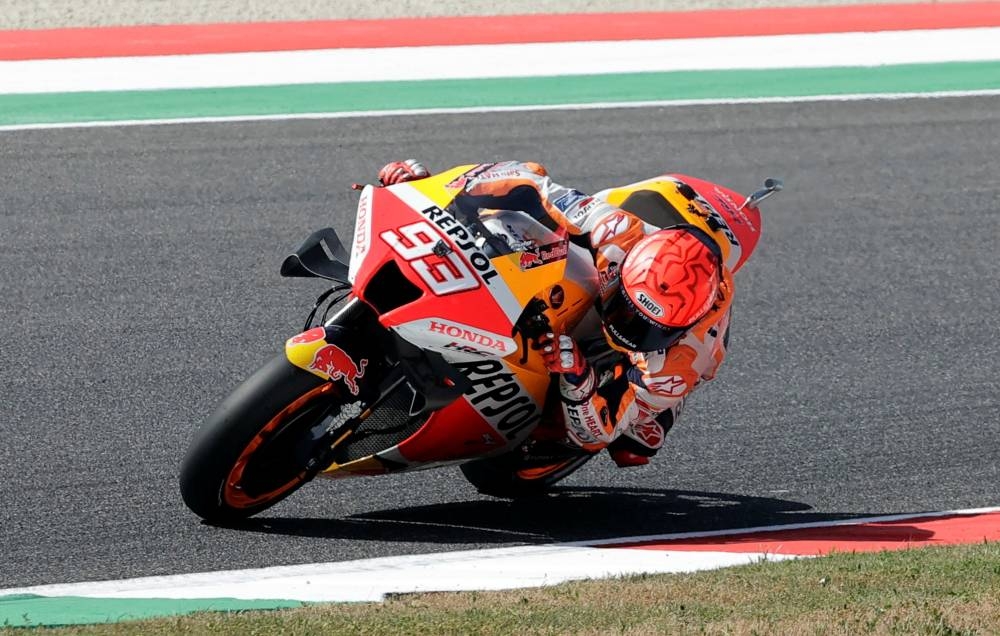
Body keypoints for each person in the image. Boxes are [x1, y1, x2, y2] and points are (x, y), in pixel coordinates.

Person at [377, 160, 733, 468]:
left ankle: (656, 416)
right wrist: (429, 188)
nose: (629, 328)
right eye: (629, 312)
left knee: (634, 443)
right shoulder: (616, 232)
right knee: (512, 224)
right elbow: (531, 180)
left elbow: (598, 430)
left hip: (672, 363)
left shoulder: (680, 360)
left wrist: (578, 378)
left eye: (647, 328)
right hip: (618, 257)